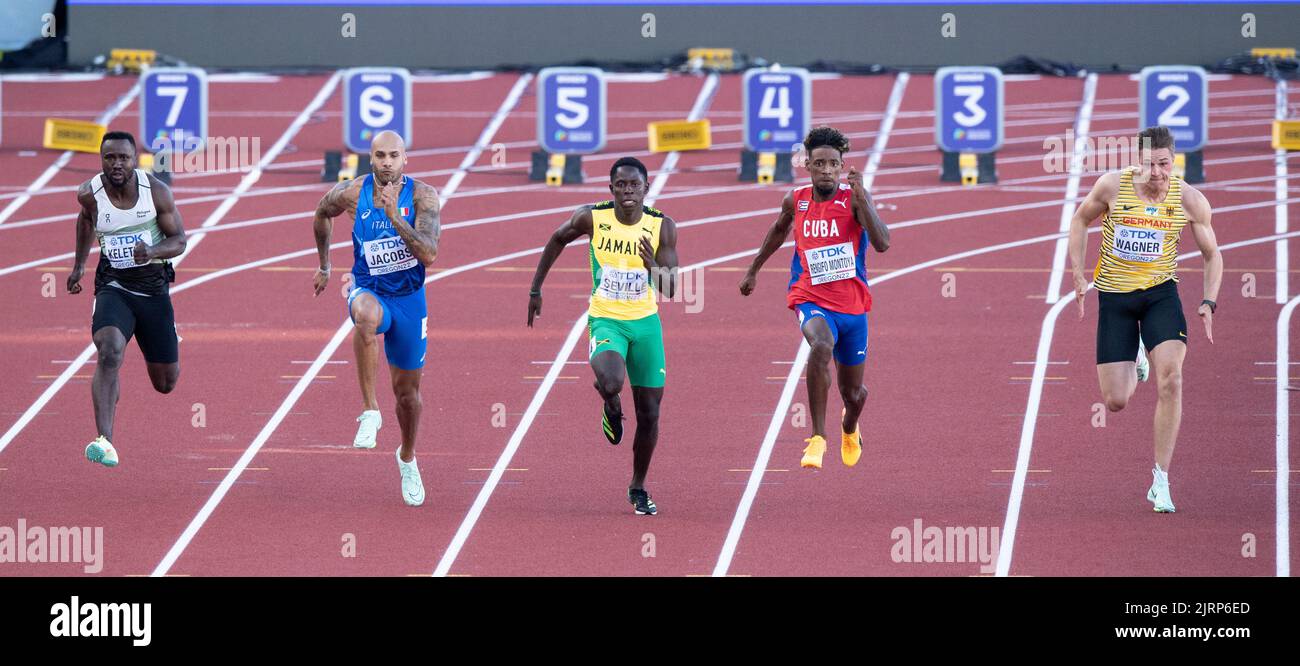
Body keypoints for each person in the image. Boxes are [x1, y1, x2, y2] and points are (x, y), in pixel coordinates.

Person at [1068, 125, 1221, 513]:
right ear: (1138, 161)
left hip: (1160, 296)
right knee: (1116, 400)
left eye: (1164, 164)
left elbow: (1212, 255)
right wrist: (1078, 273)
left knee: (1172, 378)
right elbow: (1079, 221)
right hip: (1116, 298)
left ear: (1174, 160)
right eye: (1149, 164)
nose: (1156, 172)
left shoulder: (1189, 200)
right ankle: (1137, 353)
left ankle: (1161, 480)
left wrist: (1208, 301)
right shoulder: (1111, 187)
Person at [527, 156, 679, 515]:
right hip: (606, 319)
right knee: (611, 381)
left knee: (650, 414)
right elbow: (556, 238)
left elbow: (671, 287)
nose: (628, 192)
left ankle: (638, 486)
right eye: (621, 185)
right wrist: (536, 289)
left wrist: (652, 266)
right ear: (611, 189)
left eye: (635, 185)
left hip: (645, 324)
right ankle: (611, 405)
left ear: (646, 187)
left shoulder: (663, 227)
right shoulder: (593, 218)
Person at [739, 126, 890, 469]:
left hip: (852, 307)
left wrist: (863, 196)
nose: (826, 170)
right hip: (810, 297)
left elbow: (882, 243)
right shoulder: (796, 199)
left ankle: (849, 425)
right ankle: (818, 437)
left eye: (832, 164)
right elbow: (778, 230)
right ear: (807, 165)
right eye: (819, 163)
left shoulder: (853, 200)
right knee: (820, 345)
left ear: (841, 167)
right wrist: (753, 269)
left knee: (853, 394)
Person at [311, 130, 441, 506]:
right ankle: (369, 411)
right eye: (380, 155)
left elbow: (429, 254)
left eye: (394, 156)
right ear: (371, 159)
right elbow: (321, 213)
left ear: (405, 160)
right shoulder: (352, 192)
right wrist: (325, 264)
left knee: (408, 398)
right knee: (363, 316)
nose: (387, 162)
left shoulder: (423, 196)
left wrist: (392, 217)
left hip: (410, 301)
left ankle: (407, 457)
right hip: (370, 290)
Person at [68, 131, 187, 468]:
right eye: (110, 158)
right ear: (101, 160)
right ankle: (104, 440)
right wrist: (79, 265)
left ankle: (163, 337)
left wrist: (150, 251)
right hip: (113, 286)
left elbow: (179, 240)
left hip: (152, 290)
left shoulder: (156, 193)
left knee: (165, 383)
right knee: (109, 351)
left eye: (123, 158)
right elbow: (86, 221)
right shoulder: (89, 193)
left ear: (135, 160)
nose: (116, 164)